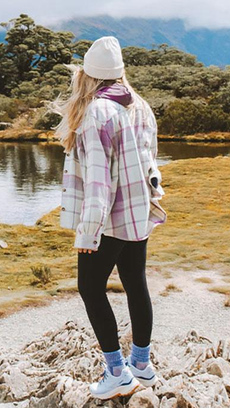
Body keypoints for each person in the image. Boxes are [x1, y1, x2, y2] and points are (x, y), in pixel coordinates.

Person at [46, 36, 167, 400]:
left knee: (90, 287)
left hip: (109, 219)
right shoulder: (139, 105)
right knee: (135, 282)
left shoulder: (96, 112)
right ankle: (141, 364)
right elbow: (150, 159)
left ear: (87, 75)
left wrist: (88, 233)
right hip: (137, 212)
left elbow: (98, 182)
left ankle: (116, 372)